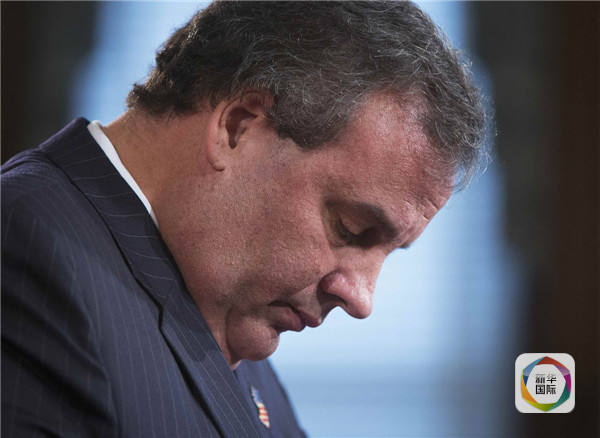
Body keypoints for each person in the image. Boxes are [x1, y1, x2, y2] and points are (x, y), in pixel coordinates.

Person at [1, 1, 485, 437]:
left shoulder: (223, 302)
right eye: (351, 229)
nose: (361, 299)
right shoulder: (25, 247)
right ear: (238, 127)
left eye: (390, 252)